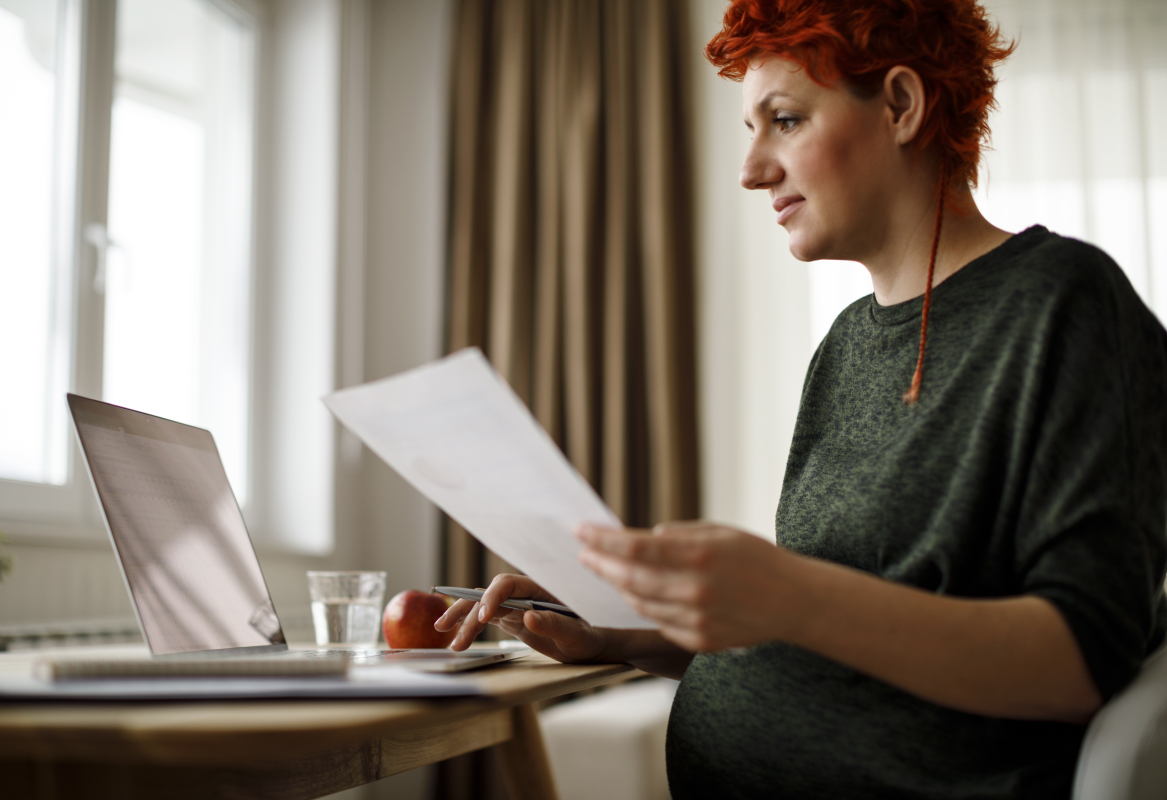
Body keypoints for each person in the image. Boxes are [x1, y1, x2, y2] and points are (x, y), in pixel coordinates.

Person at [435, 0, 1167, 796]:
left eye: (783, 120)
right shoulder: (847, 346)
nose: (751, 170)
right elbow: (824, 641)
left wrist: (785, 589)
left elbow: (1081, 662)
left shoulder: (1064, 303)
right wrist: (630, 634)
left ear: (900, 105)